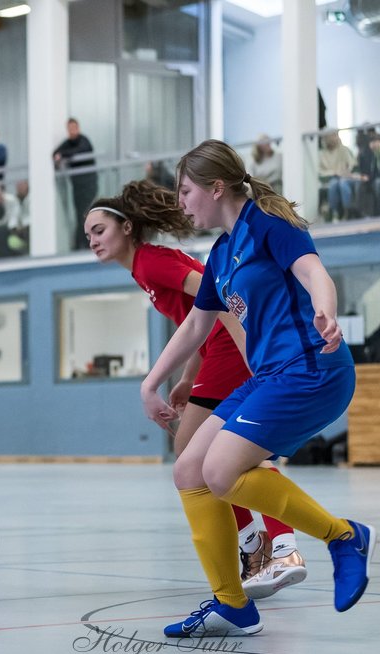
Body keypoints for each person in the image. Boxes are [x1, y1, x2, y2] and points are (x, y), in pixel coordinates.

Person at [140, 140, 374, 637]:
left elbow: (314, 272)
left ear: (215, 187)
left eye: (186, 190)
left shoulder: (269, 224)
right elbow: (195, 327)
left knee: (221, 471)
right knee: (189, 470)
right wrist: (152, 381)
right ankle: (233, 606)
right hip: (269, 376)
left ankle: (344, 537)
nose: (181, 202)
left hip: (313, 367)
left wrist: (326, 310)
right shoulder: (221, 254)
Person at [85, 180, 307, 600]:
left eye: (99, 230)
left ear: (127, 227)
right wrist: (188, 377)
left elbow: (219, 297)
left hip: (231, 350)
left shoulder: (151, 263)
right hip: (217, 352)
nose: (93, 240)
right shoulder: (145, 268)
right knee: (200, 460)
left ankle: (276, 544)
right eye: (88, 236)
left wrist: (251, 354)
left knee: (196, 458)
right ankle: (258, 548)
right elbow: (197, 321)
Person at [53, 119, 97, 250]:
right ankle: (80, 245)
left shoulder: (84, 141)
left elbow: (81, 150)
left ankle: (85, 244)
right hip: (76, 187)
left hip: (89, 185)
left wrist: (63, 155)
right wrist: (59, 155)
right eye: (69, 128)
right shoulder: (67, 143)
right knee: (80, 215)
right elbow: (55, 153)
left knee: (87, 213)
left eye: (74, 128)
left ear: (78, 128)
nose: (72, 131)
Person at [318, 131, 358, 221]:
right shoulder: (321, 154)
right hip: (329, 179)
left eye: (335, 136)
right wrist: (334, 173)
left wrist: (345, 172)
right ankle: (333, 212)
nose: (333, 139)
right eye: (330, 136)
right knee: (333, 185)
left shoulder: (344, 150)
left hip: (345, 177)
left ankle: (347, 211)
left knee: (342, 184)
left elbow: (352, 165)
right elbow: (320, 172)